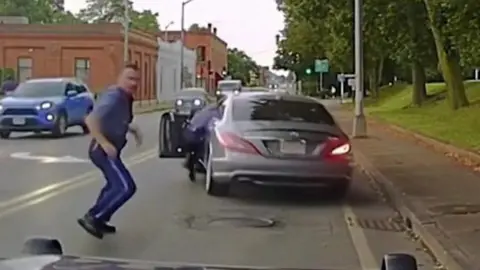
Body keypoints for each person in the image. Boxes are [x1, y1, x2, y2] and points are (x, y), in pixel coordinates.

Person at [77, 63, 143, 239]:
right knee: (126, 187)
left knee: (113, 185)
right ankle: (92, 217)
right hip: (102, 151)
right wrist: (104, 143)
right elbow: (90, 119)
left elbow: (116, 120)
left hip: (110, 149)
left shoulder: (125, 98)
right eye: (129, 78)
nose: (134, 83)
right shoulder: (114, 96)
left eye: (136, 79)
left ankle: (100, 219)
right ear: (120, 79)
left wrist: (131, 129)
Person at [182, 95, 225, 180]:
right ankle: (191, 162)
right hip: (199, 134)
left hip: (199, 133)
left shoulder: (215, 110)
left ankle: (194, 163)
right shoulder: (212, 111)